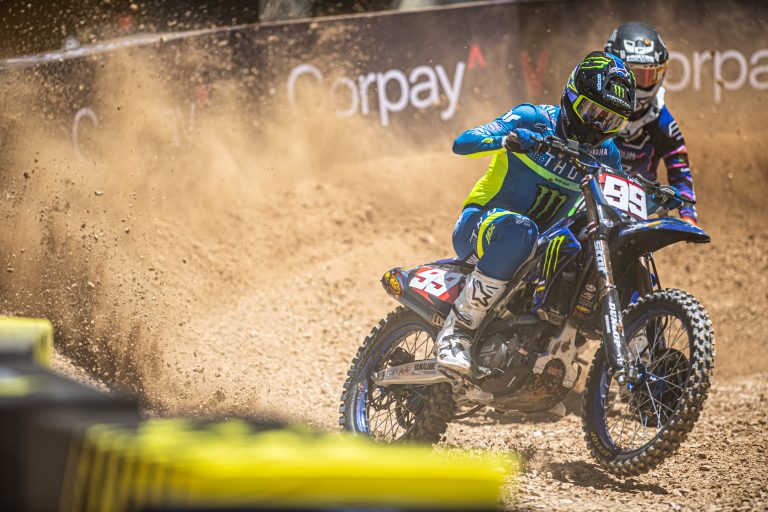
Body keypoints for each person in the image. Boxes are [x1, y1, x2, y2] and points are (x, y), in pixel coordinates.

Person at [436, 51, 636, 374]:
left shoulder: (606, 153)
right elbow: (463, 143)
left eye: (611, 120)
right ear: (573, 97)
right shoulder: (532, 118)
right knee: (522, 230)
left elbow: (612, 204)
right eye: (594, 112)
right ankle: (458, 330)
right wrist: (508, 139)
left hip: (541, 244)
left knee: (590, 245)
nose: (599, 126)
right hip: (483, 224)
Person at [604, 22, 698, 225]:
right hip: (590, 197)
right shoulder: (596, 106)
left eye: (649, 75)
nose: (641, 84)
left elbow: (678, 166)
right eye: (634, 74)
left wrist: (688, 213)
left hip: (637, 206)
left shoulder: (661, 119)